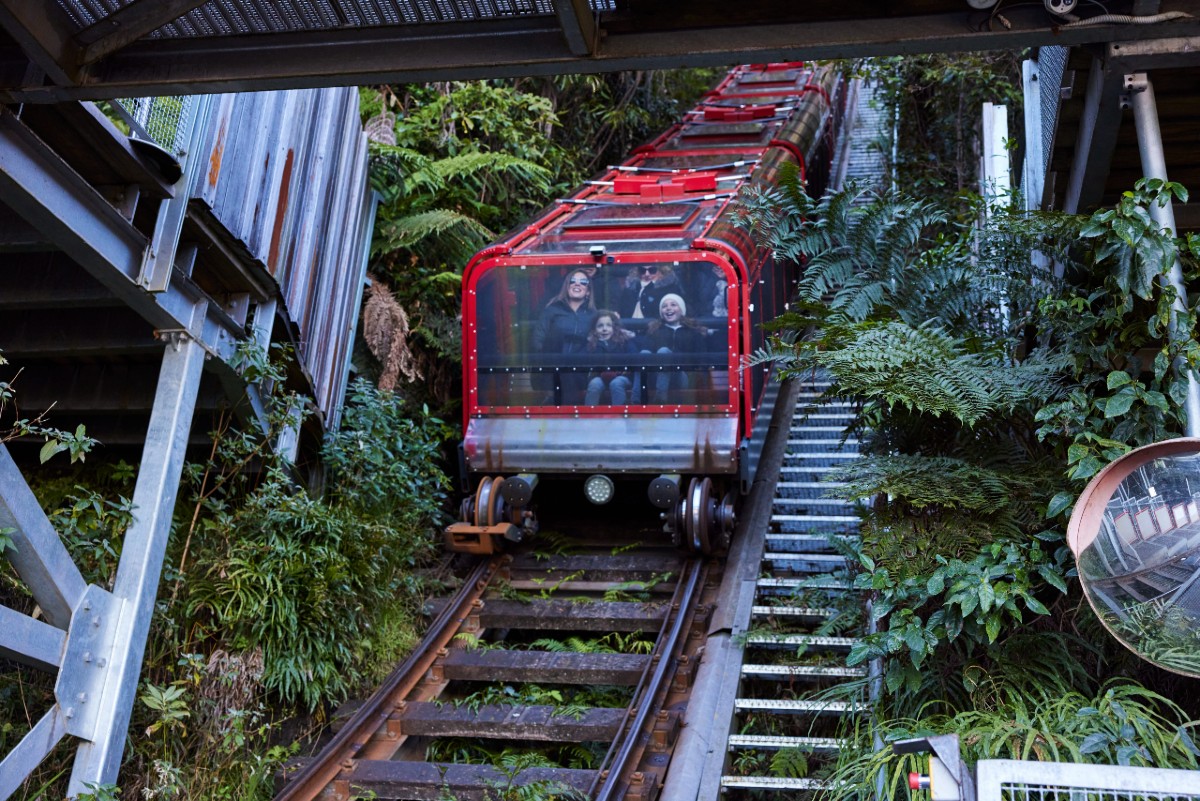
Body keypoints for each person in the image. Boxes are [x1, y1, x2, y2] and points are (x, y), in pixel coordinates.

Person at [533, 269, 596, 403]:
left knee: (569, 376)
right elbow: (538, 341)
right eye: (572, 281)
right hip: (552, 369)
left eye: (583, 282)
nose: (577, 284)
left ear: (588, 291)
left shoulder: (593, 315)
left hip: (581, 371)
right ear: (567, 287)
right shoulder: (552, 310)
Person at [641, 293, 709, 403]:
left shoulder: (693, 332)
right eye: (664, 306)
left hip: (682, 376)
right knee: (647, 353)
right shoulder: (654, 332)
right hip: (655, 377)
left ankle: (660, 400)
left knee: (664, 352)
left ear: (681, 309)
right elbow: (646, 355)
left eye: (673, 305)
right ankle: (638, 400)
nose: (668, 308)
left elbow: (702, 360)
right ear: (661, 312)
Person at [584, 310, 638, 405]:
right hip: (599, 376)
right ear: (594, 329)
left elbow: (634, 357)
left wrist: (620, 372)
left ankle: (620, 416)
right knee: (594, 384)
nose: (605, 329)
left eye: (608, 325)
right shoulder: (591, 344)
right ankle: (589, 417)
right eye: (600, 326)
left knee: (616, 384)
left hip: (622, 376)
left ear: (614, 327)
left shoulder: (624, 341)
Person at [619, 263, 683, 320]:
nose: (647, 274)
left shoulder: (669, 290)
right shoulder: (629, 290)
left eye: (652, 270)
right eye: (642, 270)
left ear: (661, 272)